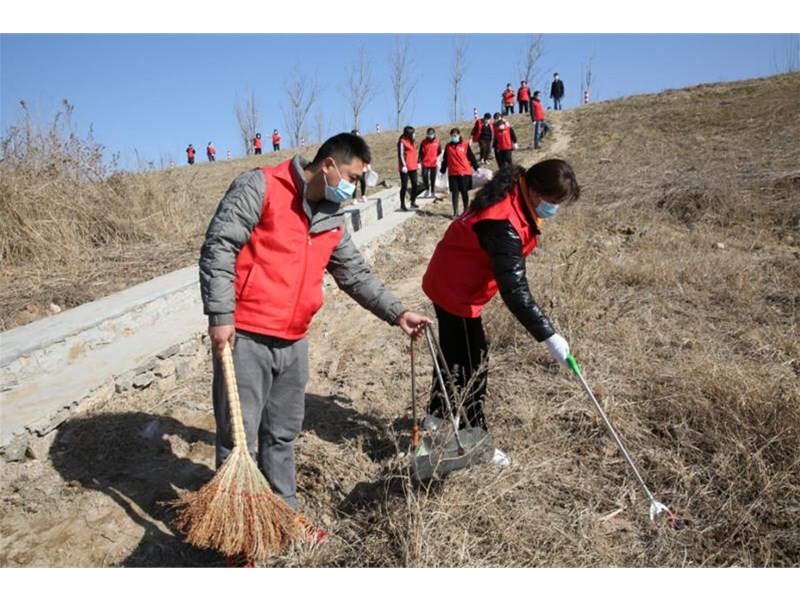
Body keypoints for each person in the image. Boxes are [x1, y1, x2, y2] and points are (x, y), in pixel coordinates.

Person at [199, 132, 431, 515]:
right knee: (239, 441)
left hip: (294, 343)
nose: (354, 189)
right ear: (328, 166)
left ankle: (284, 517)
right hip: (246, 338)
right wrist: (221, 316)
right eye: (352, 178)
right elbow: (219, 247)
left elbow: (354, 273)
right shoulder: (262, 186)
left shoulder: (330, 217)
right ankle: (239, 532)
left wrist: (397, 312)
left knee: (283, 436)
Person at [421, 159, 580, 464]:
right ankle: (475, 443)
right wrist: (550, 336)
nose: (554, 210)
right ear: (535, 193)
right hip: (456, 290)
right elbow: (515, 291)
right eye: (554, 202)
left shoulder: (514, 186)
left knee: (453, 354)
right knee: (473, 367)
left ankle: (437, 416)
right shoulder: (504, 223)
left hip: (448, 277)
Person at [440, 128, 479, 218]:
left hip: (464, 172)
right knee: (455, 192)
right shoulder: (448, 146)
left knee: (464, 192)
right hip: (453, 173)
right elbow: (445, 159)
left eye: (455, 135)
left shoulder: (465, 144)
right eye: (452, 136)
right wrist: (442, 170)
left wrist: (476, 167)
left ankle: (466, 210)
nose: (454, 137)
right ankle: (455, 212)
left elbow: (471, 156)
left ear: (459, 135)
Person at [397, 125, 420, 211]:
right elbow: (401, 154)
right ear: (409, 134)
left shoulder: (412, 142)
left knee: (415, 184)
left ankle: (413, 201)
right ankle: (402, 204)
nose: (415, 135)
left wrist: (417, 163)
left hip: (413, 166)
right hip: (405, 168)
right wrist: (403, 165)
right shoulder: (402, 142)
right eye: (413, 133)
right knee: (404, 186)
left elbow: (414, 153)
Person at [418, 128, 442, 199]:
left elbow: (439, 152)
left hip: (434, 163)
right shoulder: (423, 142)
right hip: (425, 162)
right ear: (427, 134)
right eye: (429, 134)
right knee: (424, 176)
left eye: (431, 134)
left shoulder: (437, 142)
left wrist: (437, 159)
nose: (430, 135)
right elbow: (420, 153)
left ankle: (432, 192)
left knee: (433, 178)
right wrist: (419, 162)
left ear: (434, 134)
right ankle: (427, 189)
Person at [350, 130, 367, 200]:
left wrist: (367, 164)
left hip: (362, 165)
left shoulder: (362, 144)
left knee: (363, 180)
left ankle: (363, 195)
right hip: (354, 166)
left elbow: (365, 154)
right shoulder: (350, 146)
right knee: (354, 182)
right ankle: (354, 198)